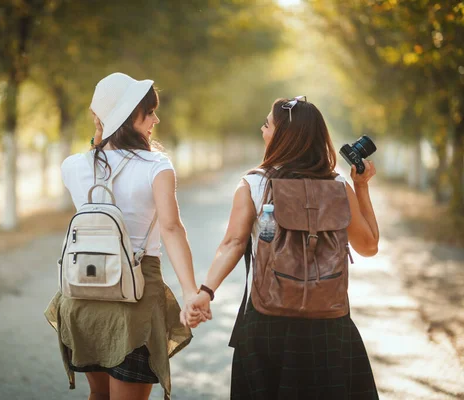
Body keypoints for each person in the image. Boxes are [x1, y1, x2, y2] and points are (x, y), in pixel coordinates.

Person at [186, 96, 380, 399]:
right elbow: (368, 246)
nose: (263, 131)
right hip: (328, 322)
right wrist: (362, 186)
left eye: (267, 125)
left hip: (267, 321)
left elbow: (233, 243)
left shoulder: (254, 184)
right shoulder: (338, 186)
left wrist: (205, 291)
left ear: (283, 137)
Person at [44, 72, 206, 400]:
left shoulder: (72, 166)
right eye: (149, 113)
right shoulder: (156, 166)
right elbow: (172, 229)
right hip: (134, 299)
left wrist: (102, 128)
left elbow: (98, 152)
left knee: (98, 397)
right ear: (129, 116)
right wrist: (191, 291)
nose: (156, 119)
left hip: (82, 298)